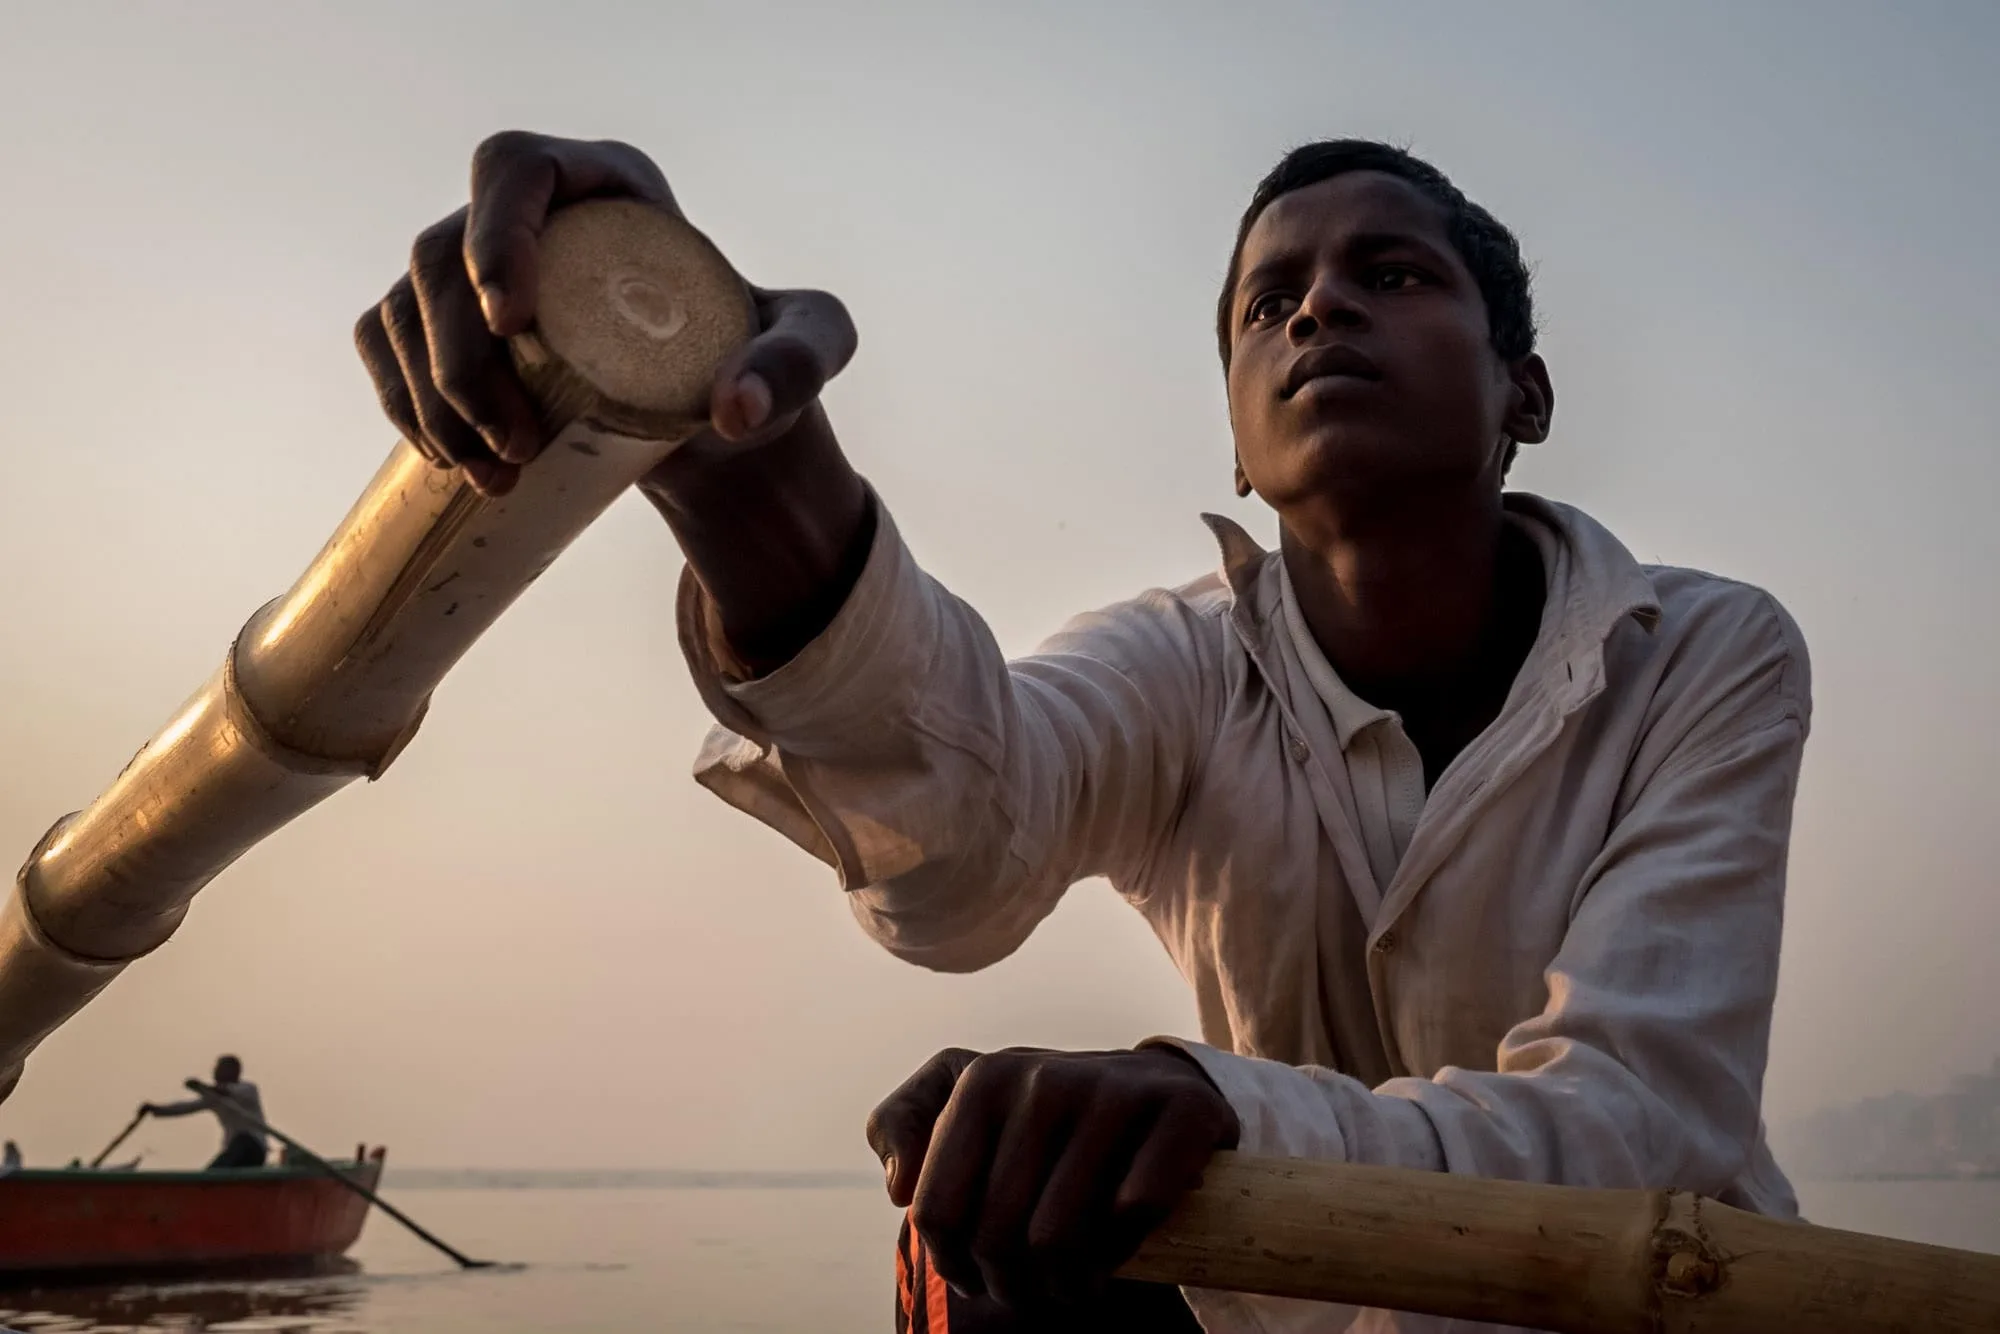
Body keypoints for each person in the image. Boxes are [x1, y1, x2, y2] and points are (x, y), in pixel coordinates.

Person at [358, 133, 1810, 1333]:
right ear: (1238, 443)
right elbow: (965, 849)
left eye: (1392, 273)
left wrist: (1208, 1105)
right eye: (1267, 303)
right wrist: (741, 463)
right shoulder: (1177, 663)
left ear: (1524, 394)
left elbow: (1635, 1127)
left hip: (1659, 1313)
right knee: (996, 1246)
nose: (1316, 312)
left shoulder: (1703, 652)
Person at [143, 1055, 269, 1170]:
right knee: (231, 1150)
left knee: (242, 1139)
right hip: (233, 1153)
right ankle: (207, 1180)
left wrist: (201, 1087)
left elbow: (226, 1092)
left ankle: (208, 1178)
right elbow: (185, 1107)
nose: (215, 1072)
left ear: (234, 1071)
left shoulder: (248, 1089)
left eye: (220, 1069)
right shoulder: (213, 1098)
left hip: (254, 1149)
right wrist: (156, 1109)